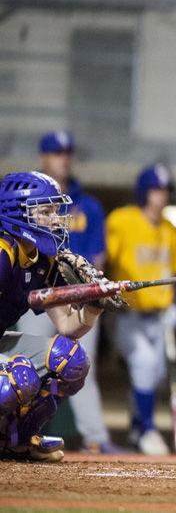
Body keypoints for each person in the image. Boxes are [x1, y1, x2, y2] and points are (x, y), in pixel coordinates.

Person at [15, 131, 121, 454]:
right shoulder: (19, 224)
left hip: (72, 296)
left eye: (68, 152)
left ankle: (90, 438)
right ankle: (13, 433)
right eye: (57, 152)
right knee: (20, 374)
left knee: (76, 363)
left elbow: (96, 260)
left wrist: (92, 299)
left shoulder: (86, 209)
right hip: (28, 306)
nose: (64, 158)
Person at [0, 171, 98, 462]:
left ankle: (15, 441)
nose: (55, 219)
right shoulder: (3, 255)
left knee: (70, 360)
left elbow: (67, 326)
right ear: (18, 213)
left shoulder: (42, 258)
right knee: (17, 378)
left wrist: (94, 305)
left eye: (55, 210)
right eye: (46, 211)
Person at [106, 163, 176, 455]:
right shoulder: (122, 220)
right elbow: (103, 263)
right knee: (143, 363)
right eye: (156, 190)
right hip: (126, 314)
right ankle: (148, 430)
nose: (161, 196)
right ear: (144, 191)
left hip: (159, 317)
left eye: (165, 191)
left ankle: (136, 427)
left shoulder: (170, 228)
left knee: (152, 375)